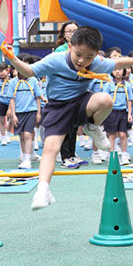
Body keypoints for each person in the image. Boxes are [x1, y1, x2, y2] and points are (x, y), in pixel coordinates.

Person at [2, 26, 133, 209]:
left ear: (95, 55)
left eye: (88, 57)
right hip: (57, 108)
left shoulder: (96, 63)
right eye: (78, 54)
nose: (82, 61)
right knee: (51, 149)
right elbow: (30, 71)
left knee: (106, 100)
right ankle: (43, 190)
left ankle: (92, 126)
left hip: (81, 103)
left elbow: (117, 63)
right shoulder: (56, 60)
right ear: (70, 46)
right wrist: (12, 59)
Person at [53, 21, 83, 168]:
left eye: (74, 31)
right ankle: (64, 157)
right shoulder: (60, 50)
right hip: (64, 92)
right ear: (63, 35)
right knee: (65, 126)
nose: (72, 34)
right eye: (69, 31)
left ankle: (72, 154)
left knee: (74, 126)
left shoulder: (83, 48)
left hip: (78, 91)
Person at [6, 53, 43, 170]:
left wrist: (38, 112)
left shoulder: (33, 80)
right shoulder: (13, 82)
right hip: (19, 112)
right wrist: (13, 114)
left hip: (31, 111)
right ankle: (24, 157)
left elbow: (37, 97)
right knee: (21, 136)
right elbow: (12, 99)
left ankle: (28, 160)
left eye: (26, 64)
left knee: (28, 134)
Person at [104, 66, 133, 165]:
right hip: (111, 112)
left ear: (124, 71)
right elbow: (104, 99)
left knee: (123, 134)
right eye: (114, 69)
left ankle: (124, 155)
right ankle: (111, 156)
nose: (117, 71)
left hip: (123, 112)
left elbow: (129, 100)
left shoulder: (127, 85)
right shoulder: (108, 84)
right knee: (112, 135)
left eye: (120, 69)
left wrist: (129, 113)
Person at [0, 62, 12, 145]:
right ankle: (3, 137)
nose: (1, 73)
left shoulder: (12, 81)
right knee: (1, 121)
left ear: (8, 70)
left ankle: (8, 133)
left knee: (11, 119)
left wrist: (11, 108)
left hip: (10, 102)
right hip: (1, 102)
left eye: (2, 71)